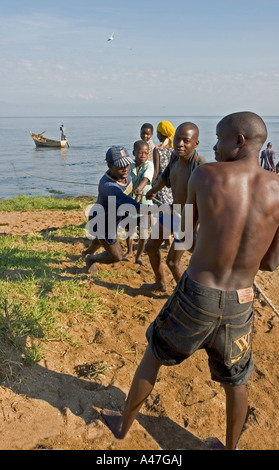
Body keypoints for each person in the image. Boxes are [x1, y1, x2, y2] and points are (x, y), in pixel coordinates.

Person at [101, 111, 279, 450]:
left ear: (239, 141)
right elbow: (270, 263)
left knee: (154, 353)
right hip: (241, 299)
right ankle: (229, 448)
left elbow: (183, 235)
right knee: (236, 380)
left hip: (198, 292)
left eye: (219, 138)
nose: (213, 145)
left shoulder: (208, 175)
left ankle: (122, 426)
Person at [143, 122, 206, 292]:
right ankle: (160, 283)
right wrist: (153, 191)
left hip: (189, 220)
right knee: (150, 248)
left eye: (186, 141)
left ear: (196, 143)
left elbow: (208, 200)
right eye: (177, 139)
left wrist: (195, 226)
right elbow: (165, 178)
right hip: (173, 211)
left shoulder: (200, 166)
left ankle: (187, 297)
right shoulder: (174, 158)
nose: (180, 144)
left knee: (172, 262)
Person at [82, 145, 141, 274]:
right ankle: (91, 259)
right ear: (109, 165)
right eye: (120, 166)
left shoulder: (126, 174)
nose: (125, 169)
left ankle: (86, 253)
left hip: (114, 216)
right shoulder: (108, 187)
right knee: (117, 256)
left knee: (99, 240)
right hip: (102, 222)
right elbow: (137, 209)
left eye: (127, 165)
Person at [126, 140, 155, 265]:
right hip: (131, 204)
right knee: (130, 230)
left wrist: (139, 189)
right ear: (133, 153)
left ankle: (138, 257)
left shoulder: (149, 165)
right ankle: (129, 251)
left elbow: (145, 179)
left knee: (143, 235)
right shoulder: (129, 166)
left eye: (146, 153)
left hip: (145, 205)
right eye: (140, 153)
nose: (143, 156)